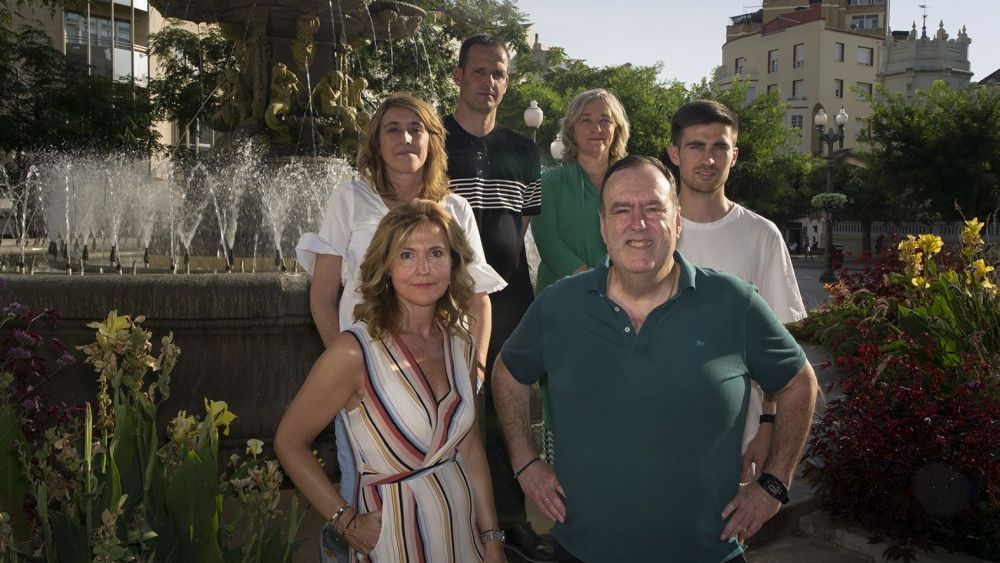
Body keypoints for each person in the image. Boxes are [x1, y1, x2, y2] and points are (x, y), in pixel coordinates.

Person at [492, 156, 818, 562]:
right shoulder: (559, 304)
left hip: (706, 553)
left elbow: (798, 382)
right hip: (582, 551)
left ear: (677, 222)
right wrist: (525, 462)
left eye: (653, 208)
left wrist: (774, 483)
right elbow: (507, 372)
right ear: (603, 227)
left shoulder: (734, 303)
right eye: (621, 209)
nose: (638, 223)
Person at [295, 93, 505, 561]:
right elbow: (322, 294)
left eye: (416, 128)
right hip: (368, 376)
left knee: (456, 466)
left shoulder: (456, 208)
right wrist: (351, 376)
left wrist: (476, 370)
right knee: (361, 483)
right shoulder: (351, 197)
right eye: (392, 128)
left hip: (440, 364)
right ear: (376, 141)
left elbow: (478, 298)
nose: (405, 138)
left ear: (433, 140)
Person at [444, 34, 551, 562]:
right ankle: (455, 515)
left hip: (510, 300)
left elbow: (522, 223)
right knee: (449, 408)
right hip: (441, 299)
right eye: (480, 71)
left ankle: (512, 522)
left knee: (508, 411)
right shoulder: (432, 139)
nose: (490, 82)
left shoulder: (523, 148)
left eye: (499, 74)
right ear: (459, 75)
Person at [667, 100, 807, 483]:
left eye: (720, 147)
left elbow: (783, 344)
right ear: (674, 153)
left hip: (736, 438)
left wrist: (767, 424)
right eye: (696, 146)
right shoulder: (647, 232)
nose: (708, 159)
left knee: (729, 537)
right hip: (655, 427)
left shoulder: (761, 235)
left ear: (735, 154)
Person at [530, 88, 630, 462]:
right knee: (565, 387)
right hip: (563, 302)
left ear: (616, 128)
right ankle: (564, 471)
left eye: (605, 119)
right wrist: (593, 281)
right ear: (571, 130)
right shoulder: (550, 182)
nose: (596, 128)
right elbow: (547, 239)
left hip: (626, 302)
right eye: (585, 120)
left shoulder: (630, 180)